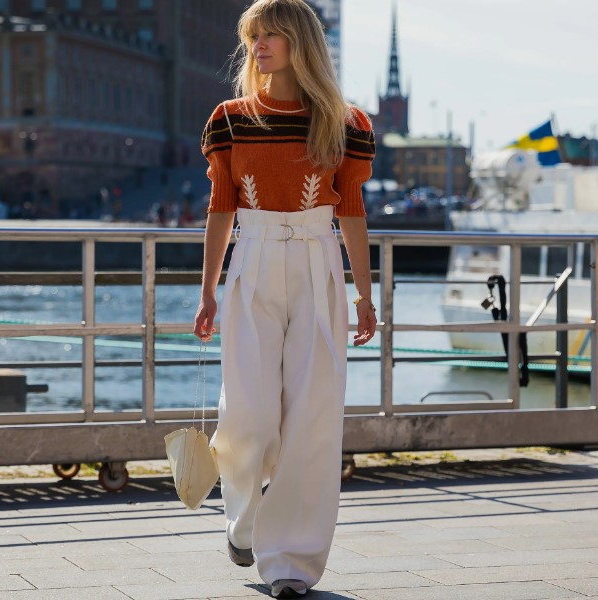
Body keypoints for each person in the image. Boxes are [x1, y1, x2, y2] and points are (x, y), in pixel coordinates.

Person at [192, 0, 376, 596]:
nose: (259, 45)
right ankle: (245, 521)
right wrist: (207, 291)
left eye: (272, 34)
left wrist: (365, 295)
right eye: (254, 36)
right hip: (253, 261)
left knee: (314, 416)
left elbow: (352, 212)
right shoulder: (230, 119)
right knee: (247, 413)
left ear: (302, 42)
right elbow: (221, 208)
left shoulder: (345, 123)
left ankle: (291, 563)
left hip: (320, 263)